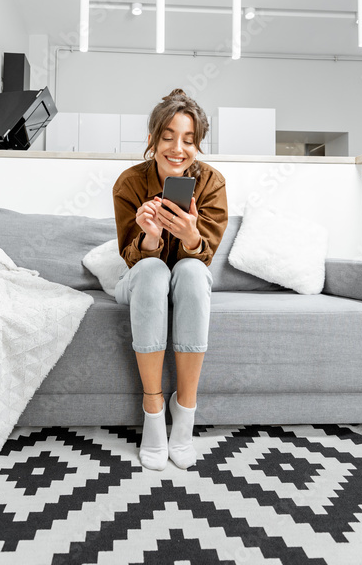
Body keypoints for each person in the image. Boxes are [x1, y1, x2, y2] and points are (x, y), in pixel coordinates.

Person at [111, 88, 228, 471]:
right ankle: (153, 406)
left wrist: (191, 236)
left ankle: (186, 412)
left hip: (187, 280)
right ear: (151, 139)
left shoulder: (211, 183)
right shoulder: (129, 183)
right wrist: (150, 236)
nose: (178, 148)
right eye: (168, 137)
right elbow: (130, 259)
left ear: (198, 146)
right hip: (140, 280)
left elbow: (205, 256)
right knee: (152, 268)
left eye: (189, 140)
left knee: (192, 270)